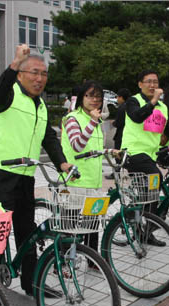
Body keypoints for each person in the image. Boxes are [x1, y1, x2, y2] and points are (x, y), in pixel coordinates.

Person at [0, 44, 72, 297]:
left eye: (44, 74)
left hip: (25, 177)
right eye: (34, 72)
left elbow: (49, 138)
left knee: (28, 232)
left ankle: (32, 284)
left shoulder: (40, 105)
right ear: (20, 73)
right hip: (1, 175)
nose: (39, 78)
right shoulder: (9, 93)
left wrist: (62, 163)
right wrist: (13, 64)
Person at [121, 70, 169, 246]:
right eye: (149, 82)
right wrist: (153, 102)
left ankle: (146, 229)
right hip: (133, 153)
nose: (153, 85)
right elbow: (137, 117)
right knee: (156, 179)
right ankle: (145, 221)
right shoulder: (133, 101)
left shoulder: (162, 108)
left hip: (150, 154)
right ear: (140, 84)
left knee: (154, 190)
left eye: (155, 82)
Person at [61, 80, 106, 256]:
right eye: (90, 96)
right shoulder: (72, 118)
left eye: (99, 97)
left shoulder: (95, 120)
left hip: (94, 181)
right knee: (69, 225)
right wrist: (93, 121)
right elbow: (77, 145)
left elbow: (95, 150)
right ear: (81, 98)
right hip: (74, 181)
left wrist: (112, 151)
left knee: (92, 224)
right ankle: (62, 261)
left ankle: (92, 260)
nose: (95, 100)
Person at [105, 88, 130, 180]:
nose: (117, 99)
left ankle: (116, 173)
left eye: (117, 97)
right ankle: (130, 172)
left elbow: (119, 123)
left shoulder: (121, 108)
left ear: (121, 97)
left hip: (120, 134)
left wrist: (113, 123)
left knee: (117, 154)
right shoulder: (131, 107)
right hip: (129, 134)